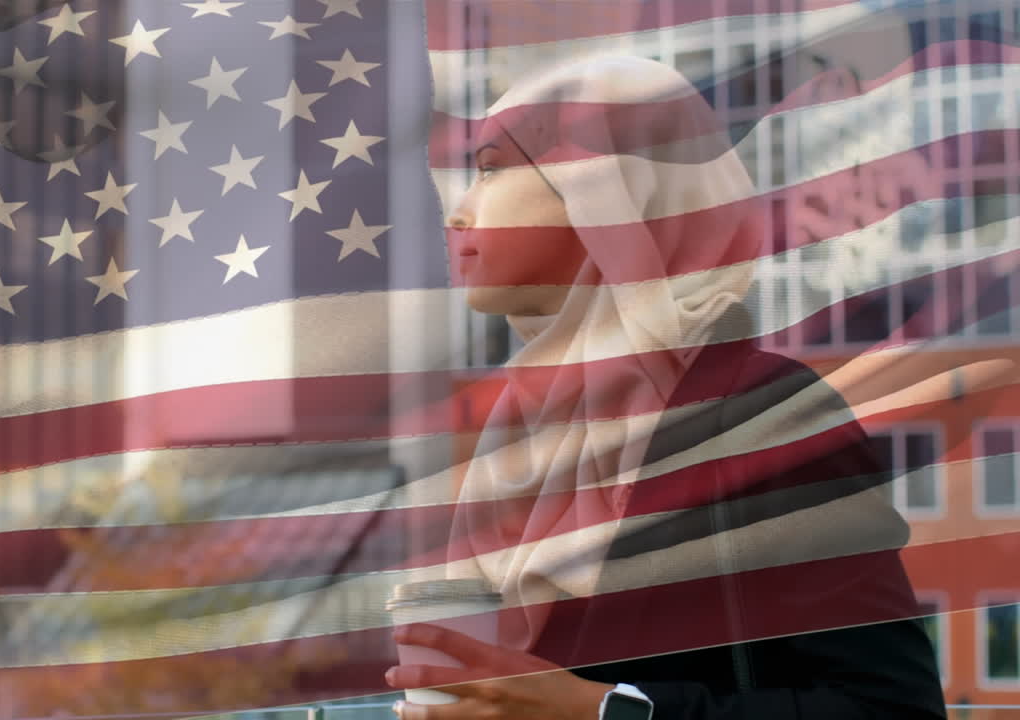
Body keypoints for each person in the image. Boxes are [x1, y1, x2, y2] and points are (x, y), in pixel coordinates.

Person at [384, 55, 947, 720]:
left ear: (605, 182)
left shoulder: (762, 414)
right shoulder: (519, 429)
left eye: (491, 168)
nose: (459, 213)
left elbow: (893, 709)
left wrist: (609, 712)